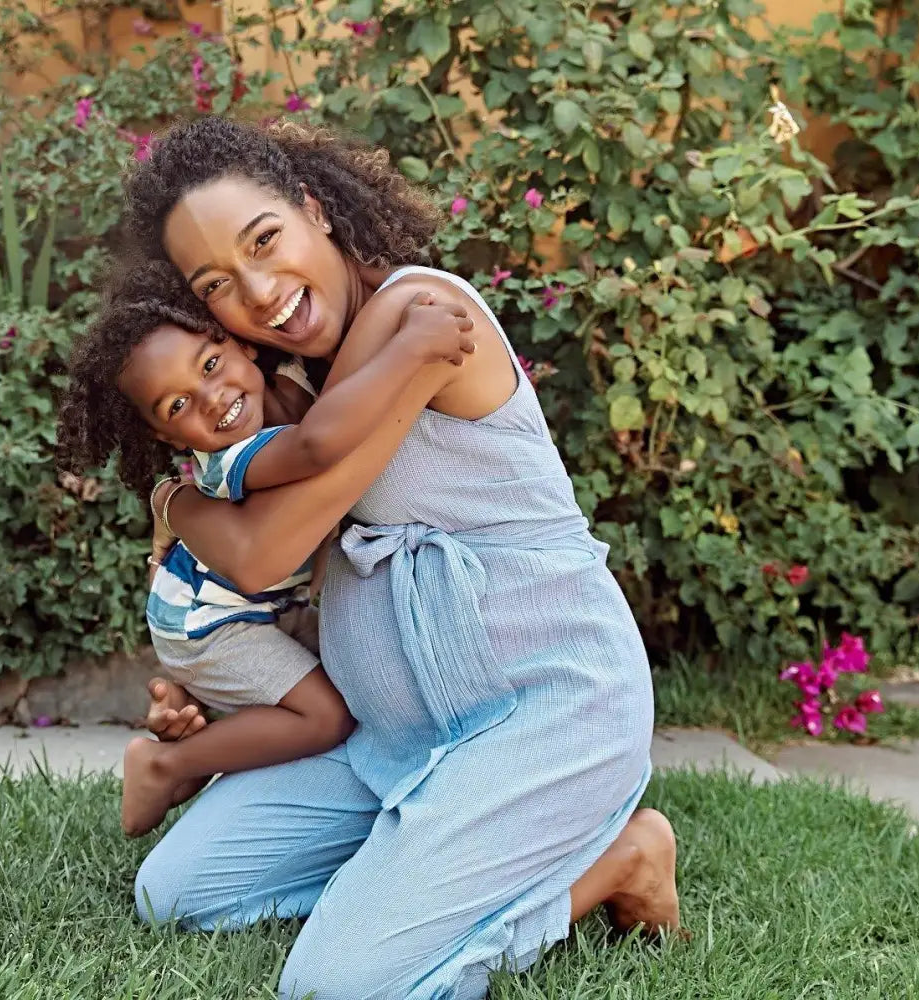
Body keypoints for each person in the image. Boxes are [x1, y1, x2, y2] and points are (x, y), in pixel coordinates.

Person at [117, 116, 680, 1000]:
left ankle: (618, 859)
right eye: (218, 283)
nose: (261, 293)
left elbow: (265, 552)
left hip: (544, 711)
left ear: (315, 210)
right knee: (176, 893)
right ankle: (423, 852)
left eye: (266, 241)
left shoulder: (419, 317)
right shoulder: (291, 387)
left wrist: (175, 500)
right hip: (397, 740)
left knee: (333, 988)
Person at [59, 259, 477, 837]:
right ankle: (165, 764)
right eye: (177, 406)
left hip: (258, 610)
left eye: (210, 365)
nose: (210, 399)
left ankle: (195, 748)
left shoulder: (294, 379)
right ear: (165, 435)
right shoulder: (229, 463)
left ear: (237, 345)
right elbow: (315, 445)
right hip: (209, 622)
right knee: (322, 717)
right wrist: (409, 349)